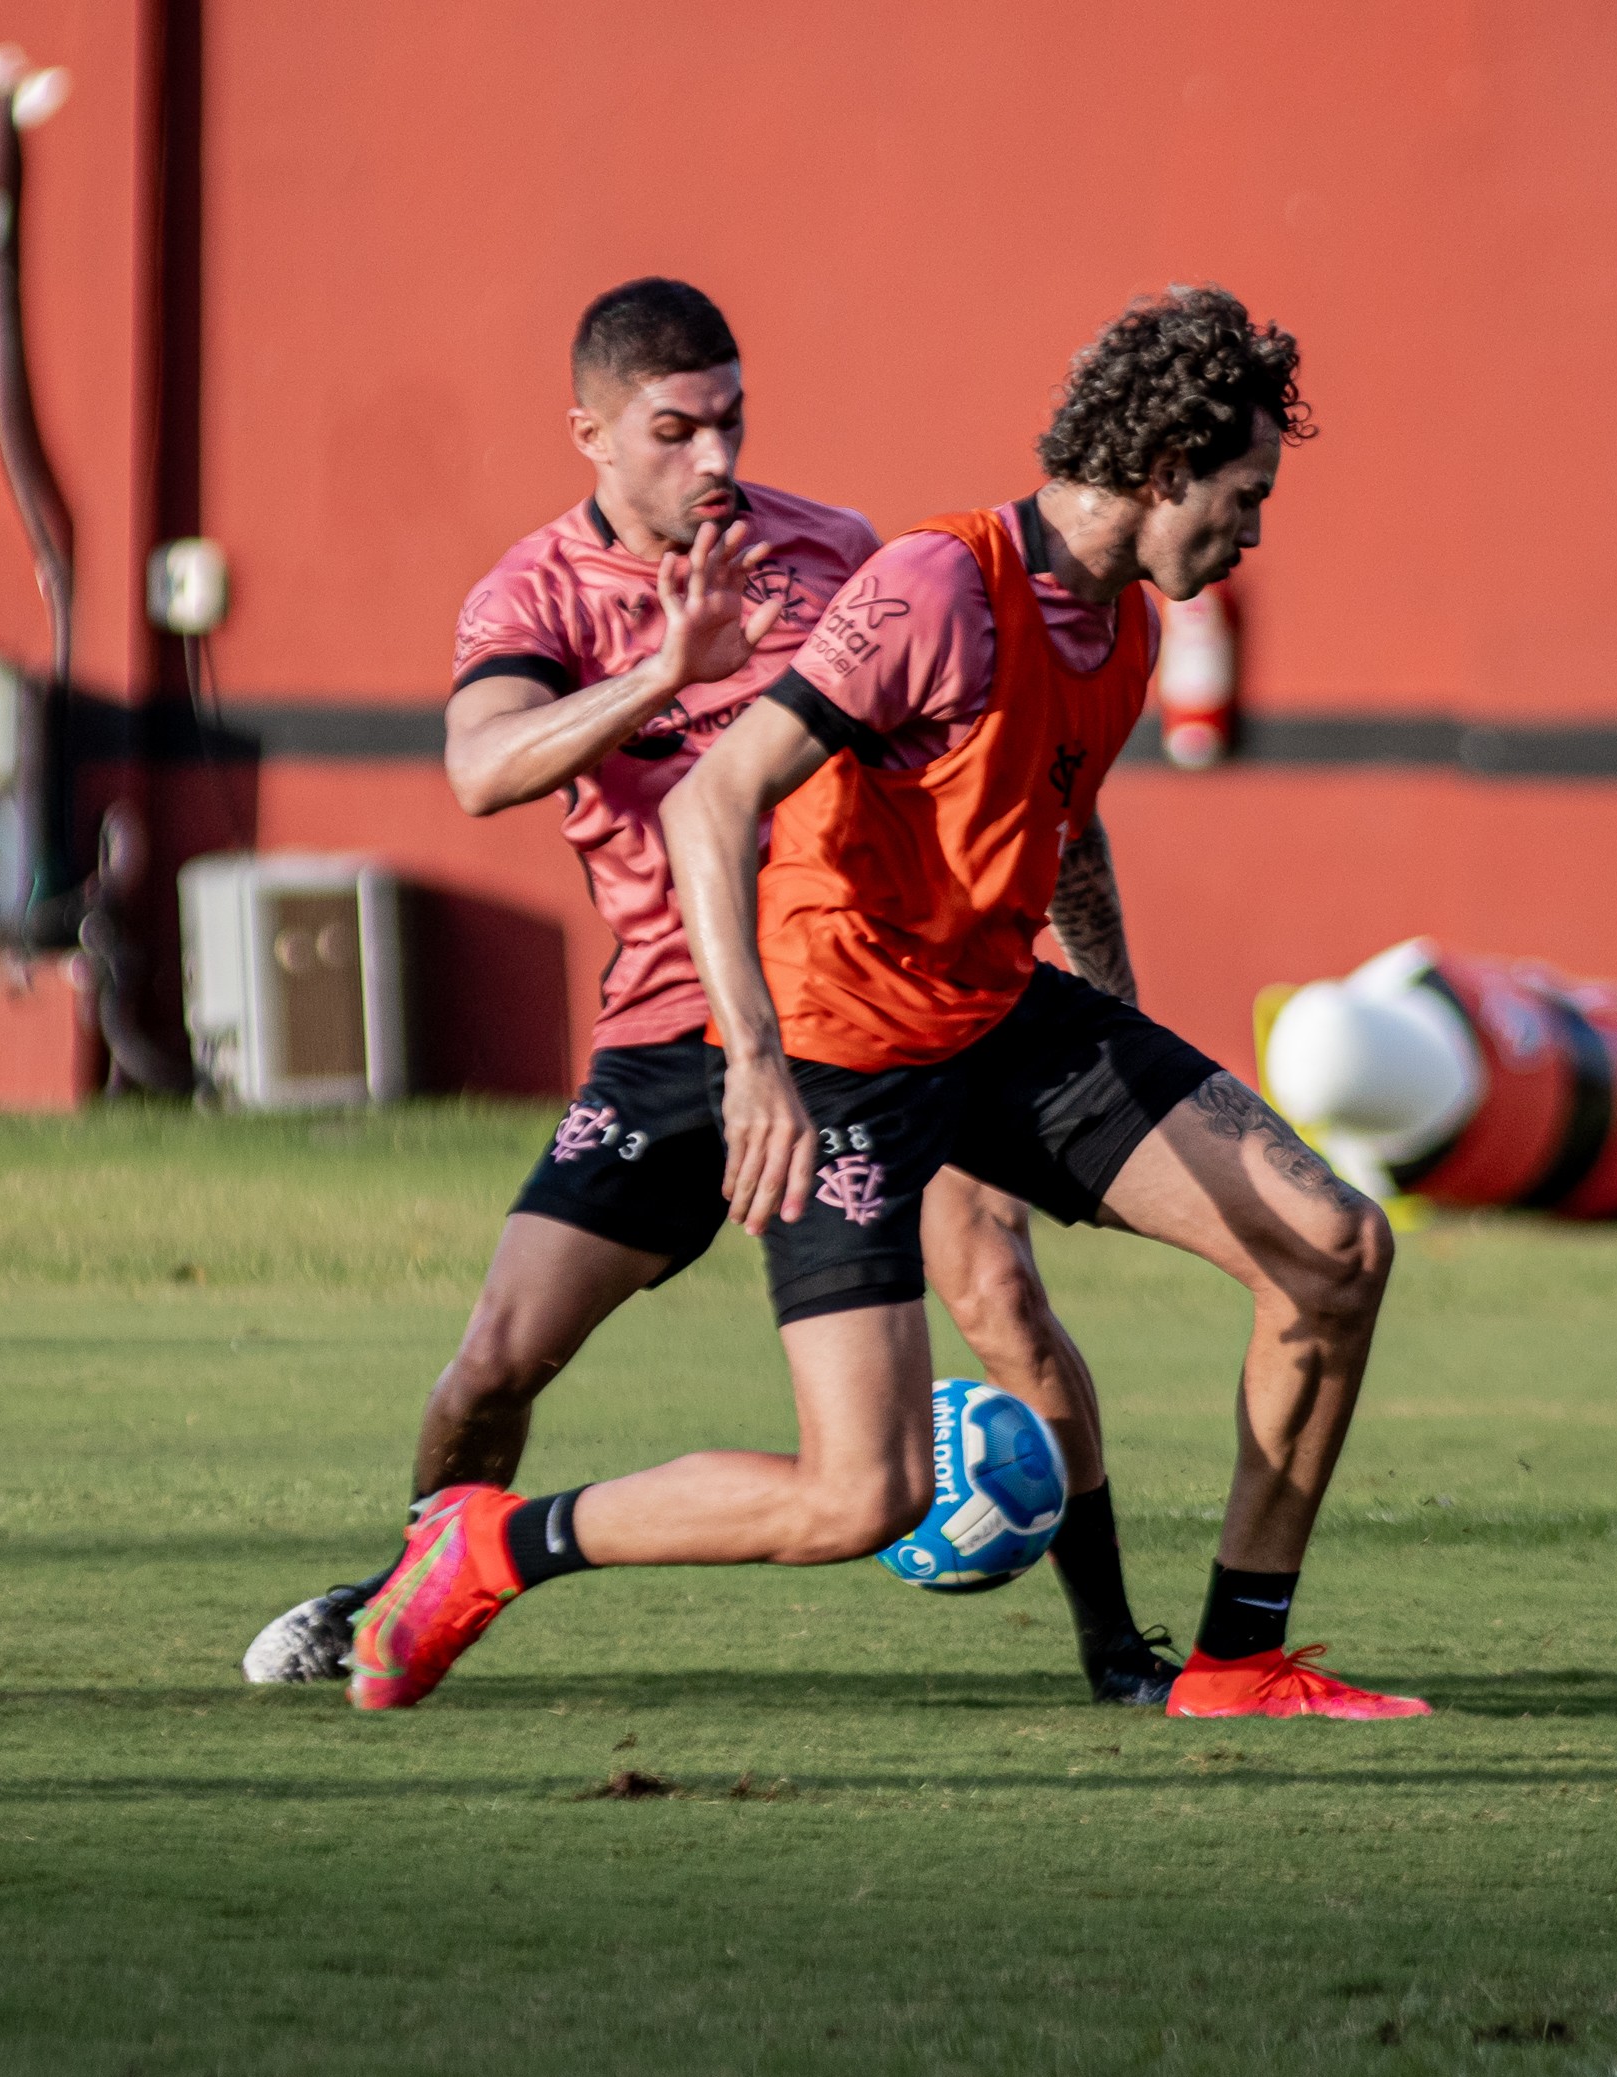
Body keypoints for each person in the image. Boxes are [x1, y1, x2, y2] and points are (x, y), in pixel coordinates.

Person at [345, 285, 1425, 1721]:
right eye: (1244, 496)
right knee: (860, 1493)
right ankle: (489, 1538)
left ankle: (1232, 1659)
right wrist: (757, 1066)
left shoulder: (1121, 626)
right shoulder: (937, 586)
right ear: (1166, 473)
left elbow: (1061, 821)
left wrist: (1121, 1024)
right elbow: (712, 807)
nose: (1255, 532)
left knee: (1335, 1247)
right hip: (840, 1051)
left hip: (995, 1016)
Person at [242, 278, 1179, 1708]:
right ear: (592, 435)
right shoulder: (535, 594)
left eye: (731, 421)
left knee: (1001, 1290)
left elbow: (998, 772)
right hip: (670, 1033)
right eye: (675, 430)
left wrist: (1106, 997)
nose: (717, 459)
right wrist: (664, 676)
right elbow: (483, 769)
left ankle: (1116, 1648)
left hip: (869, 1013)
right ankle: (411, 1589)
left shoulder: (839, 554)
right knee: (495, 1364)